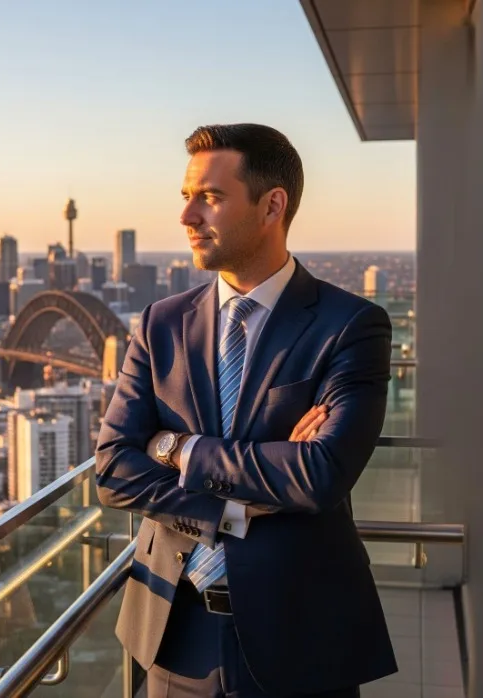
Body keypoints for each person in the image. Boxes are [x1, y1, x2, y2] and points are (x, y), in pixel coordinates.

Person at [94, 123, 397, 697]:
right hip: (172, 629)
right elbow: (112, 468)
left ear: (272, 206)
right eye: (185, 197)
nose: (187, 218)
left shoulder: (350, 326)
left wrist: (177, 448)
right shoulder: (162, 322)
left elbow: (320, 475)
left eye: (208, 197)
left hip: (300, 634)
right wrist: (233, 507)